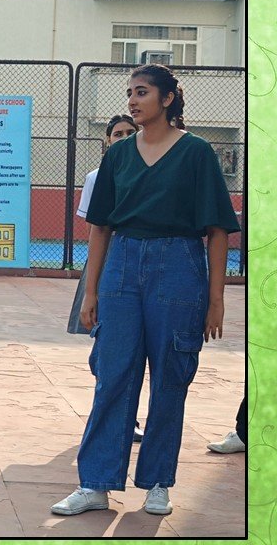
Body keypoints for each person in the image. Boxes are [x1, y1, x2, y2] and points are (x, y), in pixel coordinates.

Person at [51, 64, 240, 517]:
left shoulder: (197, 153)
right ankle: (95, 483)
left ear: (167, 99)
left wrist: (215, 300)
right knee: (113, 375)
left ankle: (157, 482)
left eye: (142, 92)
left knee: (171, 377)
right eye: (130, 93)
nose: (133, 101)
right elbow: (100, 228)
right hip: (122, 266)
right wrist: (91, 292)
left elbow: (217, 231)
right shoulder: (118, 156)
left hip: (179, 267)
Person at [69, 114, 145, 443]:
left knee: (132, 346)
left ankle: (125, 416)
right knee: (104, 346)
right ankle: (109, 410)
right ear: (108, 140)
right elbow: (96, 229)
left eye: (130, 132)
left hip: (138, 261)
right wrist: (93, 286)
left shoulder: (150, 170)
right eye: (118, 133)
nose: (124, 137)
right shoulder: (97, 177)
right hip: (107, 261)